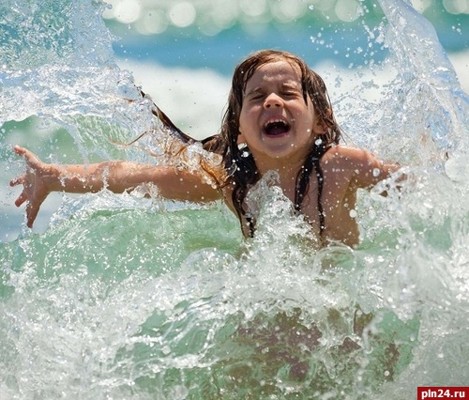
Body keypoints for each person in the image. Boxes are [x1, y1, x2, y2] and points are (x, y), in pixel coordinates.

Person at [10, 49, 401, 248]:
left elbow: (419, 189)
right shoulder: (230, 183)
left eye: (287, 93)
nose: (272, 101)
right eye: (257, 97)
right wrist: (54, 177)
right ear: (240, 131)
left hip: (342, 305)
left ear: (319, 122)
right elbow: (132, 176)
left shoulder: (340, 167)